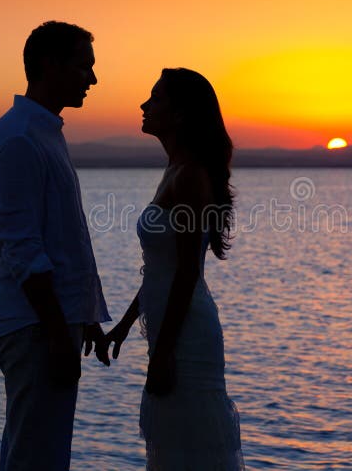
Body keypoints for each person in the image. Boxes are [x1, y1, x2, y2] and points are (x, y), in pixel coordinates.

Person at [99, 68, 244, 470]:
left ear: (180, 114)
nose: (144, 106)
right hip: (169, 329)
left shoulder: (191, 177)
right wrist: (125, 326)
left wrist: (162, 355)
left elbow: (185, 274)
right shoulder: (175, 170)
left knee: (191, 450)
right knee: (173, 450)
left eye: (156, 98)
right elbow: (158, 269)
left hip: (187, 336)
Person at [0, 21, 111, 471]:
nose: (92, 80)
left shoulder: (44, 132)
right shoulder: (20, 137)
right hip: (36, 325)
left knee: (44, 452)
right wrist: (59, 331)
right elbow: (20, 245)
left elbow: (65, 238)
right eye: (83, 67)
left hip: (53, 322)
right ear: (49, 65)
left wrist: (85, 315)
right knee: (34, 457)